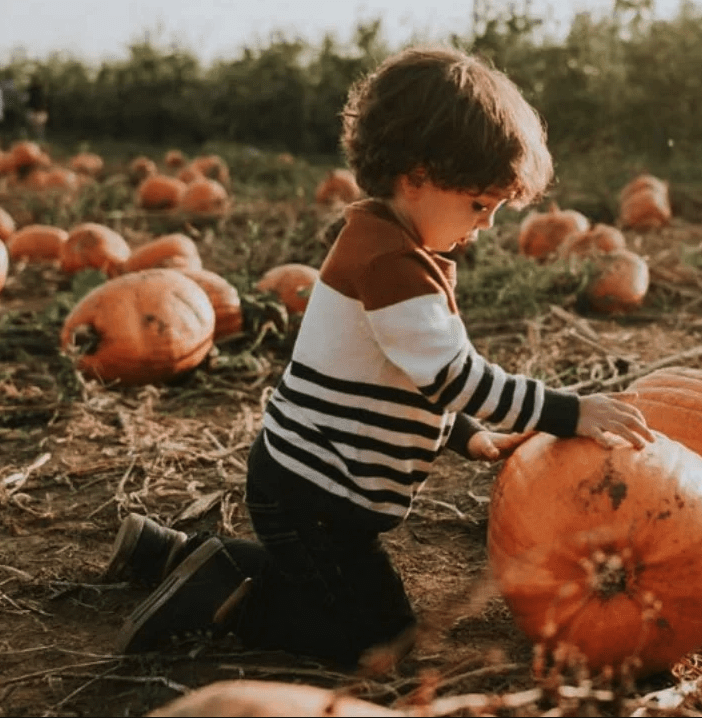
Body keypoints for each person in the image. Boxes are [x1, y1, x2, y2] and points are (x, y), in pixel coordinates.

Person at [104, 45, 654, 669]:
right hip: (315, 497)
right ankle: (220, 600)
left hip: (308, 481)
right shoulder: (392, 266)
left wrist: (466, 435)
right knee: (375, 641)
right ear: (417, 174)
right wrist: (567, 412)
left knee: (328, 589)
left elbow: (409, 374)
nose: (489, 224)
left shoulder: (386, 244)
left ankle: (169, 554)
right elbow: (452, 376)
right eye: (480, 204)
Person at [26, 75, 48, 140]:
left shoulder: (30, 90)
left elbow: (27, 100)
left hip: (36, 111)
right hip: (39, 111)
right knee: (39, 128)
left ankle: (36, 140)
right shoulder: (42, 90)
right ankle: (38, 140)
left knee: (35, 128)